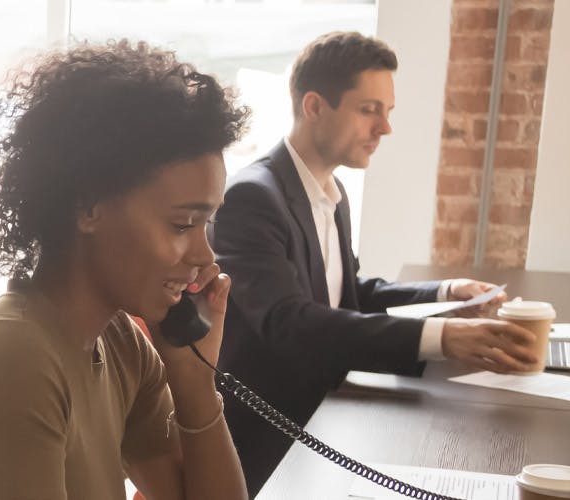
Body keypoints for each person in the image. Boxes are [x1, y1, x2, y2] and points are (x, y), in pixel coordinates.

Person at [0, 40, 250, 500]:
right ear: (89, 206)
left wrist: (194, 381)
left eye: (207, 223)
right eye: (183, 224)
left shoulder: (120, 341)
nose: (205, 257)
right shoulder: (13, 358)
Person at [211, 31, 540, 495]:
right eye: (369, 110)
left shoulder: (331, 191)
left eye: (387, 112)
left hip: (328, 408)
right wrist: (442, 339)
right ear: (314, 107)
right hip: (270, 433)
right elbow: (289, 321)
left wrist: (444, 296)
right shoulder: (253, 197)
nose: (385, 128)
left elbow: (346, 294)